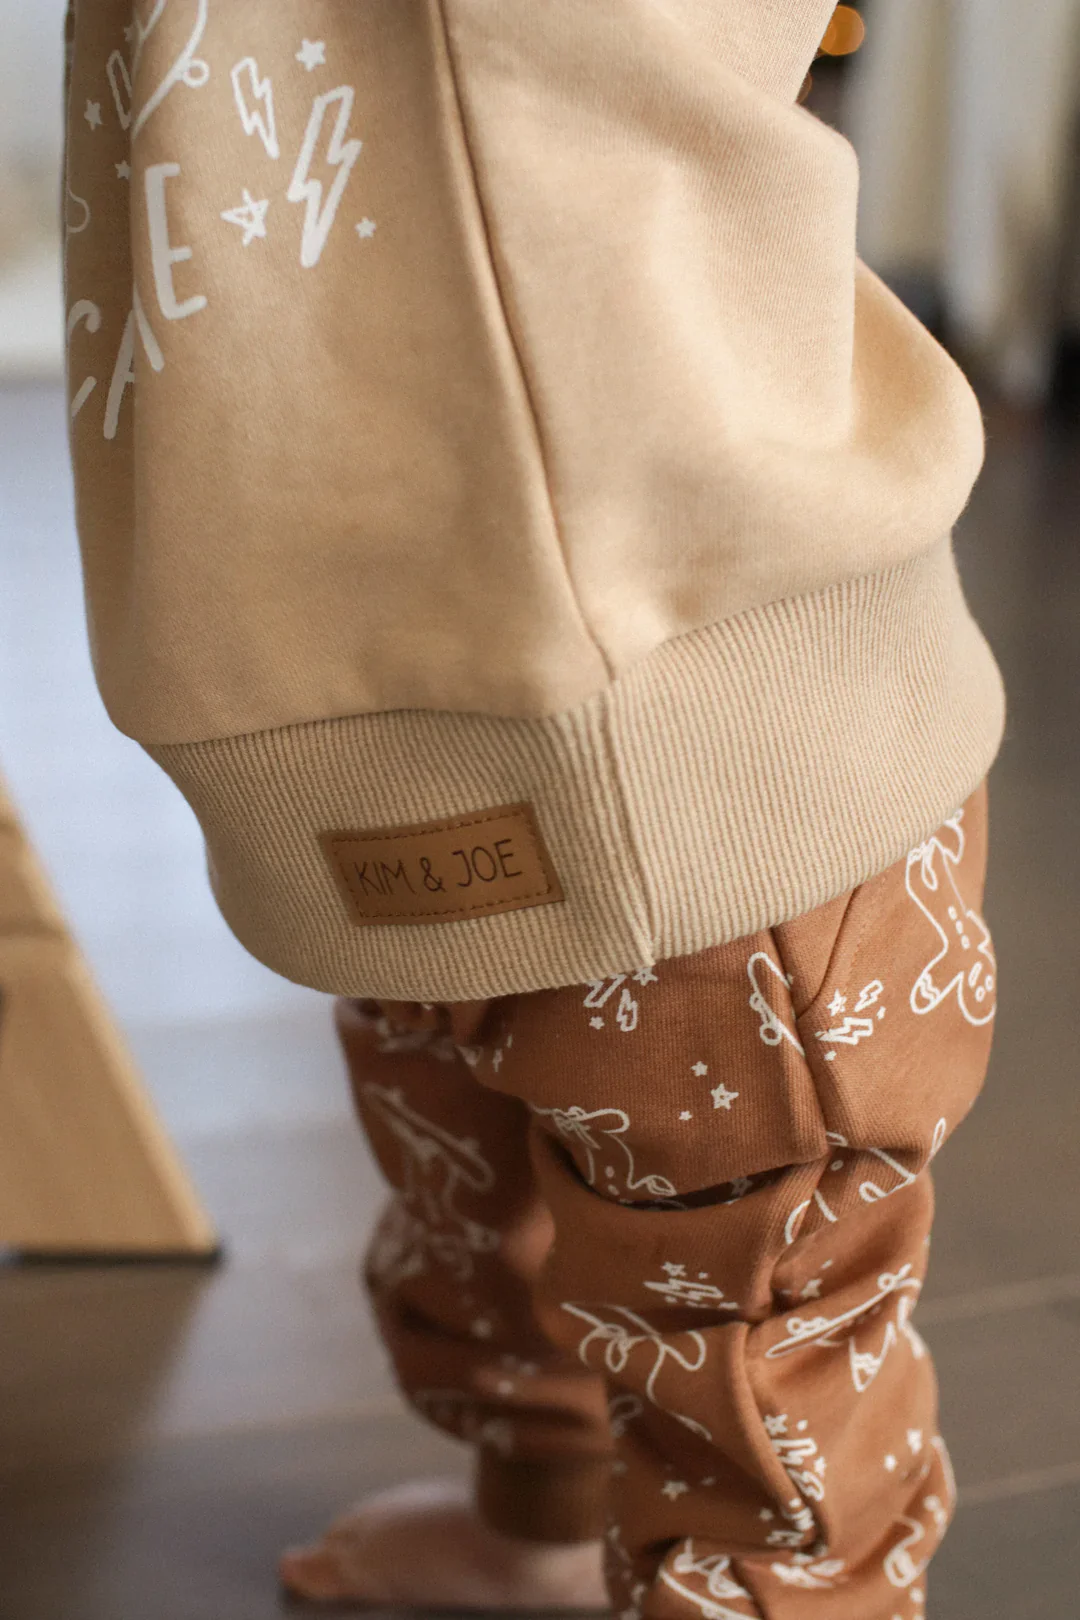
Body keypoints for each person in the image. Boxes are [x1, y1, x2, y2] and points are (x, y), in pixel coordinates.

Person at [62, 3, 1004, 1615]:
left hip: (722, 742)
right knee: (477, 1208)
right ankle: (543, 1523)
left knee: (761, 1362)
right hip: (347, 689)